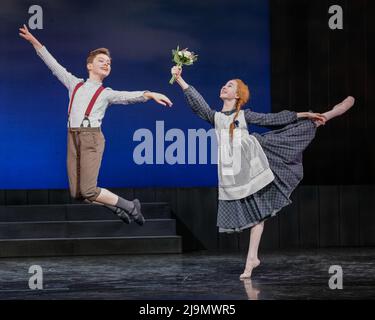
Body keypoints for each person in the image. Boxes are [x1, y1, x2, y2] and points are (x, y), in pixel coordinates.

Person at [171, 66, 354, 279]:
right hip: (233, 170)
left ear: (237, 94)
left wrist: (303, 113)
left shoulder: (244, 114)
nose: (224, 86)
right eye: (225, 84)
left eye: (230, 85)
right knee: (257, 213)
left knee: (295, 132)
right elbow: (198, 105)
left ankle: (328, 114)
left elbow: (272, 119)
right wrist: (179, 79)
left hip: (255, 157)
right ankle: (252, 258)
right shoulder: (216, 117)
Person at [19, 24, 173, 226]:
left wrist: (150, 94)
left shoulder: (106, 93)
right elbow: (52, 63)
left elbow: (127, 97)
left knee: (90, 190)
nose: (106, 64)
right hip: (72, 136)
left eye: (109, 62)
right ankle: (117, 206)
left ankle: (129, 206)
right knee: (78, 193)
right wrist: (33, 41)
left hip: (91, 137)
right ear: (89, 66)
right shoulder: (74, 84)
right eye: (101, 61)